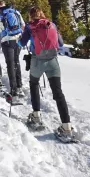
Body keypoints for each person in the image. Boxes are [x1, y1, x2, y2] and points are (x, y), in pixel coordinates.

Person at [19, 7, 75, 141]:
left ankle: (36, 116)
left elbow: (21, 43)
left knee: (33, 84)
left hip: (37, 61)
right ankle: (66, 127)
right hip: (53, 61)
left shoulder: (29, 27)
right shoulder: (52, 25)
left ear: (30, 16)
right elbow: (60, 44)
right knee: (58, 93)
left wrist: (25, 36)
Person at [0, 1, 25, 101]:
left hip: (7, 41)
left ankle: (14, 90)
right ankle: (19, 87)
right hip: (18, 40)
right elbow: (23, 26)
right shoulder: (15, 12)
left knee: (10, 64)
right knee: (16, 62)